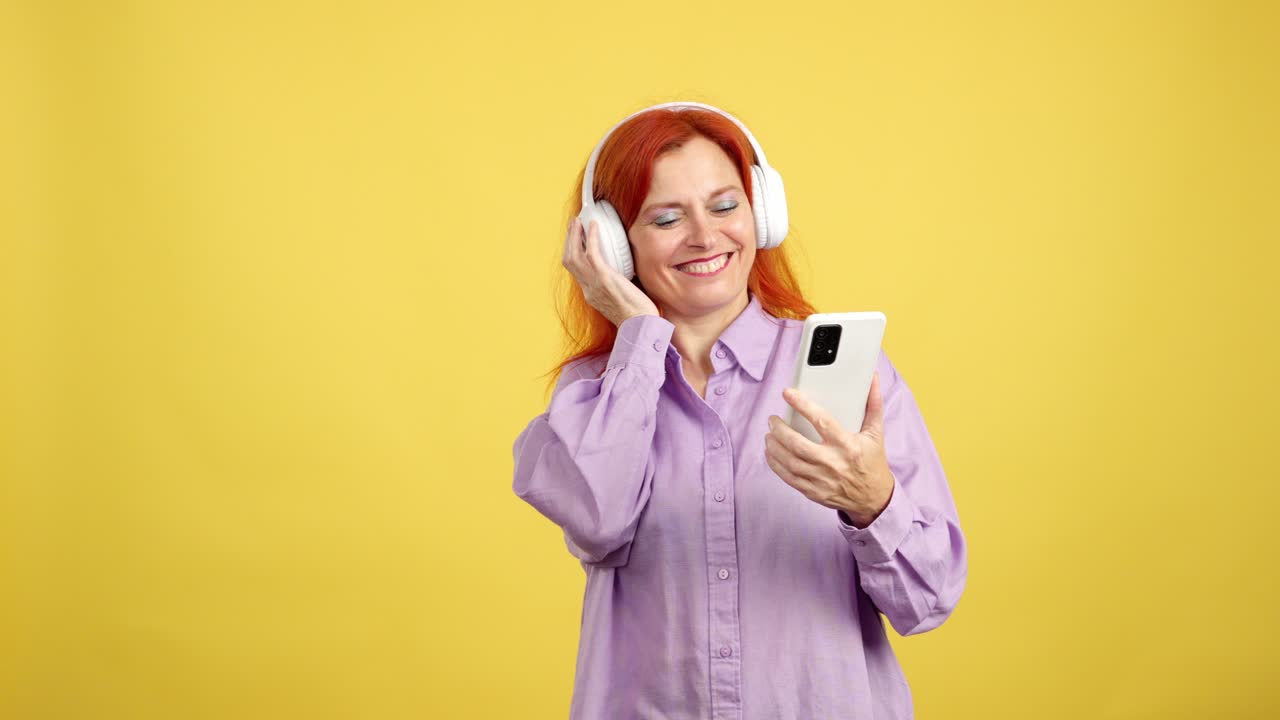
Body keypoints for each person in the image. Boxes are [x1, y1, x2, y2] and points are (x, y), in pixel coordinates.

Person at [512, 102, 967, 719]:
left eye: (725, 206)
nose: (705, 237)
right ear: (614, 246)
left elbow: (930, 600)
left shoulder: (852, 376)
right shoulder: (596, 392)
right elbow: (597, 521)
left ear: (762, 213)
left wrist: (872, 502)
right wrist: (641, 339)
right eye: (667, 218)